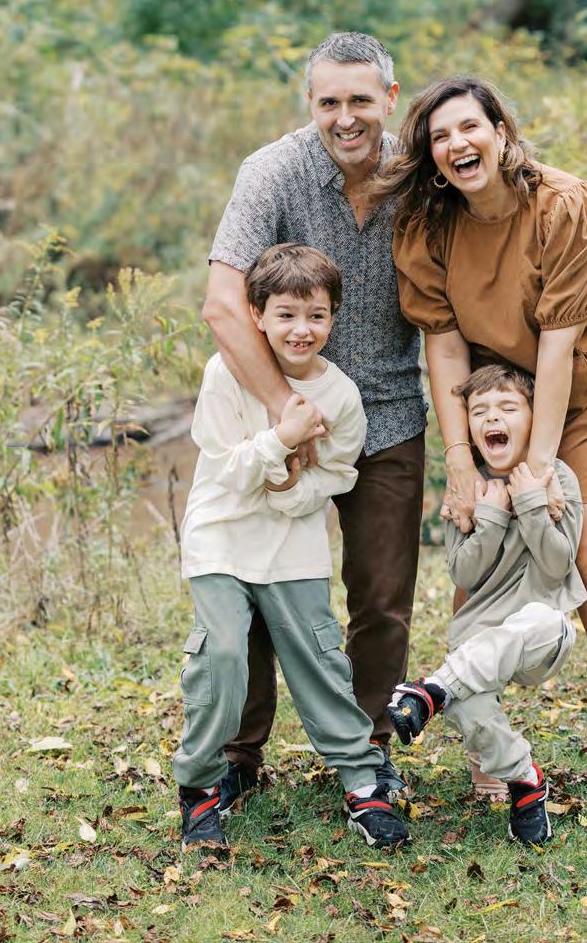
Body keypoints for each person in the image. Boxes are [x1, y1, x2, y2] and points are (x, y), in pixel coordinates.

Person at [381, 74, 587, 810]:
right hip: (496, 397)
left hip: (585, 381)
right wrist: (461, 464)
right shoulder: (426, 227)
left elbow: (559, 343)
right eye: (440, 137)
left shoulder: (564, 205)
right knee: (476, 542)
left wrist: (539, 469)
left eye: (469, 127)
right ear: (432, 156)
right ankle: (486, 738)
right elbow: (445, 346)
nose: (457, 144)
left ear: (502, 133)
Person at [203, 32, 426, 813]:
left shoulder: (417, 175)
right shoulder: (272, 171)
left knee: (382, 598)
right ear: (311, 102)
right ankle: (238, 755)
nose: (345, 117)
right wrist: (281, 410)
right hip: (281, 413)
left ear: (389, 99)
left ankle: (366, 751)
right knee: (255, 587)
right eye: (329, 101)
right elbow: (222, 304)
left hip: (389, 414)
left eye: (360, 99)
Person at [174, 244, 410, 851]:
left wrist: (286, 489)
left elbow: (337, 476)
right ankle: (200, 787)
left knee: (320, 661)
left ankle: (363, 783)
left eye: (316, 315)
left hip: (293, 548)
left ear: (333, 318)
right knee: (223, 656)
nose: (301, 329)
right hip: (220, 539)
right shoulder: (224, 373)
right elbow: (225, 470)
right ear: (256, 314)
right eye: (285, 314)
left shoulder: (341, 395)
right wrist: (282, 439)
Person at [388, 365, 584, 845]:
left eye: (507, 407)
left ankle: (434, 688)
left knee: (539, 620)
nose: (492, 417)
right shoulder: (467, 487)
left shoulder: (557, 477)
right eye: (479, 411)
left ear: (534, 418)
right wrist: (492, 515)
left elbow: (558, 566)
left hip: (542, 636)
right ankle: (525, 781)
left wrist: (531, 504)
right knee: (467, 706)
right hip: (478, 643)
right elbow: (464, 574)